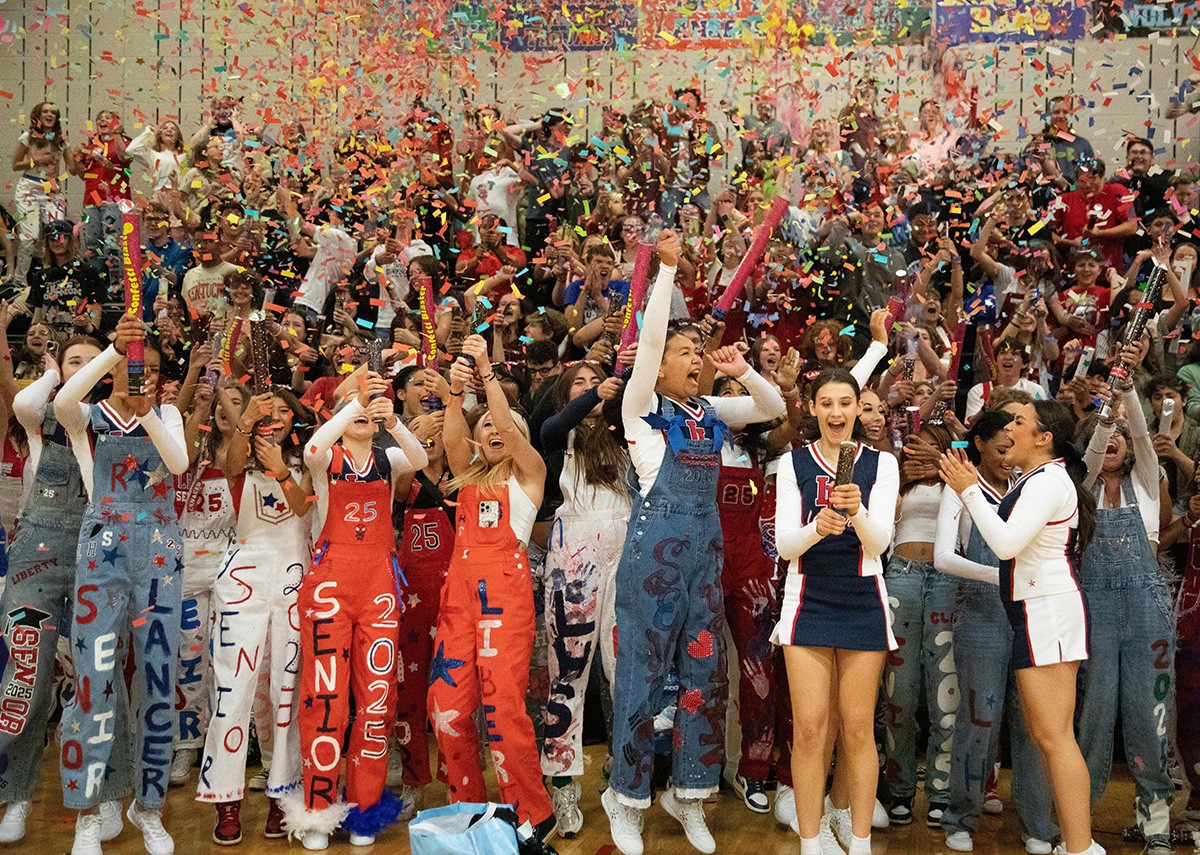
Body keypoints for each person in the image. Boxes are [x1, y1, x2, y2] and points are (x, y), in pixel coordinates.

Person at [602, 230, 785, 855]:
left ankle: (691, 797)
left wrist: (744, 371)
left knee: (704, 678)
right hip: (652, 563)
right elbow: (649, 343)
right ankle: (625, 800)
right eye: (685, 352)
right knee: (641, 681)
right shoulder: (641, 413)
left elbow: (773, 405)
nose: (693, 358)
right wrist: (666, 275)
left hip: (704, 567)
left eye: (698, 352)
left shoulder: (710, 411)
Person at [939, 401, 1104, 855]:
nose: (1008, 428)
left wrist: (969, 490)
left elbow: (1006, 544)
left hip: (1047, 611)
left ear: (1044, 436)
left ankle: (1080, 847)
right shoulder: (1035, 479)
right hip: (1039, 610)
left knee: (1054, 737)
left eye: (1019, 421)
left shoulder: (1049, 481)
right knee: (1048, 735)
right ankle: (1079, 844)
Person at [54, 312, 191, 855]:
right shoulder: (85, 416)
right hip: (102, 547)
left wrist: (148, 410)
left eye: (153, 370)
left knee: (159, 677)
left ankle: (149, 806)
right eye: (137, 368)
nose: (144, 377)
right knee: (93, 678)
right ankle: (89, 810)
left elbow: (177, 464)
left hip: (159, 550)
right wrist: (115, 350)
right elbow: (64, 400)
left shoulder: (170, 414)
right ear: (114, 371)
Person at [285, 371, 426, 850]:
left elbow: (420, 459)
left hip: (380, 585)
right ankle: (318, 812)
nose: (364, 409)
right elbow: (309, 450)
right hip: (329, 585)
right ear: (338, 413)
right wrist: (352, 401)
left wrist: (396, 421)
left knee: (377, 696)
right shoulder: (327, 455)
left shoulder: (387, 457)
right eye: (353, 404)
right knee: (325, 697)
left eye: (369, 404)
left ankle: (364, 810)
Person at [426, 333, 557, 846]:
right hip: (458, 603)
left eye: (502, 427)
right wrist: (456, 397)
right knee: (447, 708)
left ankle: (532, 814)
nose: (494, 431)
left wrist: (484, 371)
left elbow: (503, 420)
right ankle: (469, 810)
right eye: (486, 428)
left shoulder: (529, 474)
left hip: (506, 600)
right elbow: (456, 440)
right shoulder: (467, 476)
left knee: (504, 710)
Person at [773, 368, 899, 855]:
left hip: (864, 595)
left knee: (856, 726)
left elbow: (880, 542)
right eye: (826, 403)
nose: (836, 413)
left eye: (845, 403)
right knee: (809, 729)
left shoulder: (881, 464)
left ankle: (860, 842)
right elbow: (786, 547)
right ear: (812, 408)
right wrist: (817, 527)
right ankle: (811, 841)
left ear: (857, 408)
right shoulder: (794, 463)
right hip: (807, 597)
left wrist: (857, 511)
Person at [0, 337, 113, 845]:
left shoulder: (117, 421)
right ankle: (17, 795)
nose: (84, 370)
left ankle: (100, 801)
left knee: (100, 679)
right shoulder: (38, 413)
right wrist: (50, 371)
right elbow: (24, 401)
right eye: (74, 361)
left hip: (102, 547)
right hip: (37, 551)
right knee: (29, 674)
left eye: (93, 363)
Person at [934, 411, 1057, 854]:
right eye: (1001, 448)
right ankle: (959, 815)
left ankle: (1039, 822)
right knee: (979, 721)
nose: (1009, 457)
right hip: (983, 615)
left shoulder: (1032, 488)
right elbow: (944, 558)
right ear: (980, 445)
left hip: (1030, 616)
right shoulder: (961, 488)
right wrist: (1001, 577)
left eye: (1014, 448)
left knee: (1034, 724)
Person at [196, 388, 314, 844]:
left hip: (294, 582)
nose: (279, 417)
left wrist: (284, 471)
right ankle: (226, 800)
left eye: (287, 410)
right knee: (233, 692)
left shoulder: (312, 462)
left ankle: (282, 797)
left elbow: (304, 505)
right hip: (242, 581)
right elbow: (228, 465)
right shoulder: (238, 464)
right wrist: (245, 416)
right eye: (272, 410)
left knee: (287, 693)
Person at [1077, 349, 1175, 855]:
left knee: (1149, 713)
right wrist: (1106, 411)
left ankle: (1156, 820)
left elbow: (1140, 433)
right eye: (1104, 435)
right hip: (1092, 611)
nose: (1114, 440)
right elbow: (1092, 455)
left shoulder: (1147, 485)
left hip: (1147, 612)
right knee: (1093, 718)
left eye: (1120, 436)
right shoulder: (1084, 490)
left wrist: (1129, 388)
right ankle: (1078, 825)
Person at [539, 361, 628, 835]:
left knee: (624, 670)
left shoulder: (625, 432)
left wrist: (622, 380)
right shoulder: (560, 437)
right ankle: (564, 786)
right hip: (573, 553)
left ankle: (623, 781)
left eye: (597, 380)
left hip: (627, 551)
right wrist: (595, 394)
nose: (591, 388)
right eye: (579, 382)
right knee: (568, 673)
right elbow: (554, 423)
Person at [883, 422, 955, 827]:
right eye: (917, 449)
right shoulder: (896, 479)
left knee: (946, 695)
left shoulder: (959, 481)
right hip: (901, 578)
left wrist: (945, 468)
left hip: (947, 580)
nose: (922, 455)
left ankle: (941, 792)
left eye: (933, 449)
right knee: (900, 696)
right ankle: (900, 790)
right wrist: (898, 476)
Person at [12, 102, 70, 289]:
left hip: (52, 189)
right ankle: (20, 282)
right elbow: (15, 165)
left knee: (58, 234)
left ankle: (55, 276)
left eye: (53, 112)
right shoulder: (28, 137)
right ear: (38, 115)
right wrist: (36, 160)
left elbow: (72, 169)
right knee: (28, 237)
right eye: (45, 111)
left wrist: (80, 159)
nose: (49, 114)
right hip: (29, 187)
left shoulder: (61, 139)